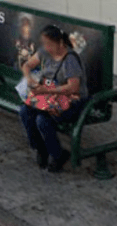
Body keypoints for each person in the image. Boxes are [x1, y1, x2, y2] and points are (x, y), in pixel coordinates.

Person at [18, 25, 88, 173]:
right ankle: (40, 148)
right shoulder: (45, 51)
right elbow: (27, 65)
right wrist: (29, 79)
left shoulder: (70, 59)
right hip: (50, 96)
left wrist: (46, 90)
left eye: (49, 44)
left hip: (71, 101)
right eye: (44, 44)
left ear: (60, 43)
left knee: (42, 120)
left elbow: (73, 87)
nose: (46, 48)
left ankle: (58, 155)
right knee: (25, 111)